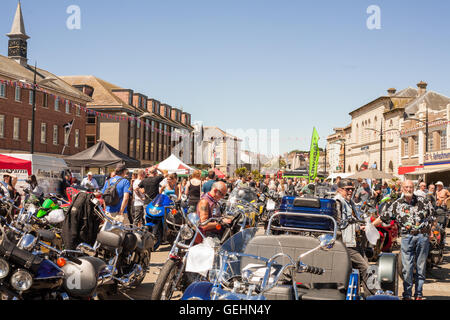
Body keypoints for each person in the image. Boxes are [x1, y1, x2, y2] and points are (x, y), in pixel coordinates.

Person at [372, 180, 434, 300]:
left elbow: (433, 217)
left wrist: (430, 230)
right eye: (406, 187)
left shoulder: (424, 201)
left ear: (413, 188)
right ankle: (407, 294)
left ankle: (419, 294)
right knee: (406, 268)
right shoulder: (397, 204)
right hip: (407, 237)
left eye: (410, 187)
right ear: (402, 188)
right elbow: (384, 217)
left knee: (421, 266)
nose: (408, 189)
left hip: (422, 237)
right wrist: (370, 226)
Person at [333, 180, 370, 296]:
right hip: (345, 243)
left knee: (365, 266)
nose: (350, 191)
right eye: (347, 189)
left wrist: (360, 226)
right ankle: (373, 295)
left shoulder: (349, 202)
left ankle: (361, 294)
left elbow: (351, 220)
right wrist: (354, 224)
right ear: (339, 189)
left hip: (353, 241)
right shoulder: (338, 201)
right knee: (365, 268)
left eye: (352, 189)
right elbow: (338, 222)